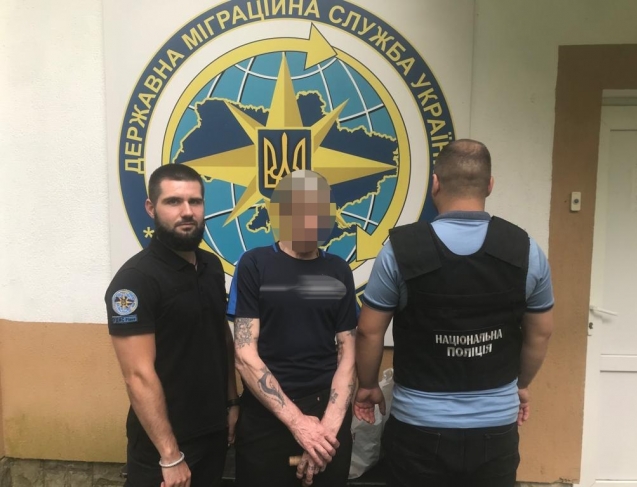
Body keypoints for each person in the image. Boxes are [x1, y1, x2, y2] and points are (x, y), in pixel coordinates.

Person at [354, 139, 554, 487]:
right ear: (490, 185)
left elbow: (369, 331)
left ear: (435, 183)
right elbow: (541, 332)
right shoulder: (526, 250)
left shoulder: (399, 251)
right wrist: (520, 385)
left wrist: (368, 386)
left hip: (417, 429)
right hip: (495, 429)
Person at [105, 164, 239, 487]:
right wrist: (170, 455)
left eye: (195, 201)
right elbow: (137, 376)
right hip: (163, 447)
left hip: (213, 432)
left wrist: (232, 401)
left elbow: (221, 336)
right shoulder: (134, 282)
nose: (187, 211)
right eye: (174, 202)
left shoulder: (211, 266)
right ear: (151, 208)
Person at [228, 170, 357, 487]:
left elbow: (348, 355)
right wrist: (299, 424)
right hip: (267, 418)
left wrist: (324, 433)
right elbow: (244, 355)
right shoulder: (254, 264)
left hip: (327, 416)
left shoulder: (338, 270)